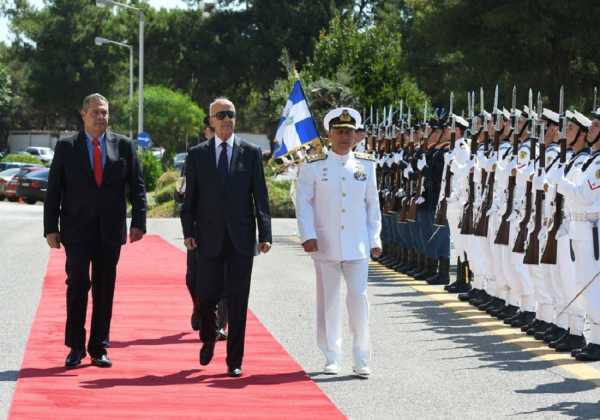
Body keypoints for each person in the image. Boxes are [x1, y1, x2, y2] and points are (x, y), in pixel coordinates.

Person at [44, 93, 147, 368]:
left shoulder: (123, 145)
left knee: (104, 288)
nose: (101, 117)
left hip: (110, 230)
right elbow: (54, 188)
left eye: (104, 112)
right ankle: (75, 346)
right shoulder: (67, 147)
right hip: (76, 230)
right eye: (95, 112)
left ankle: (99, 347)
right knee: (77, 285)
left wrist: (139, 221)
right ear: (83, 114)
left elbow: (137, 186)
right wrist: (50, 228)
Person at [180, 97, 272, 378]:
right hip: (207, 238)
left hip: (241, 239)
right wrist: (188, 232)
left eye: (230, 114)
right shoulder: (197, 155)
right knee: (206, 297)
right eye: (220, 115)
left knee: (237, 300)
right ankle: (208, 337)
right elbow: (190, 200)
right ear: (211, 120)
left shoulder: (251, 152)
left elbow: (261, 196)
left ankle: (234, 360)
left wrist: (265, 233)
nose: (226, 119)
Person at [295, 107, 382, 378]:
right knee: (329, 301)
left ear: (355, 135)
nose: (344, 137)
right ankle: (332, 356)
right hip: (325, 244)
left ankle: (361, 357)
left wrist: (375, 238)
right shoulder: (314, 165)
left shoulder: (366, 165)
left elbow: (372, 206)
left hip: (357, 244)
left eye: (349, 132)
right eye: (339, 132)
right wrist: (308, 234)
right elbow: (304, 203)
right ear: (329, 134)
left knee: (358, 299)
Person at [183, 115, 228, 340]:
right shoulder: (196, 155)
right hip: (200, 229)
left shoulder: (233, 153)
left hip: (227, 231)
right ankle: (200, 307)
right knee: (193, 278)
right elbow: (184, 194)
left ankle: (219, 324)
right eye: (211, 128)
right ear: (207, 131)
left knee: (224, 280)